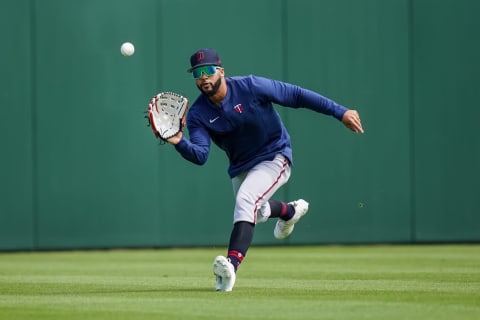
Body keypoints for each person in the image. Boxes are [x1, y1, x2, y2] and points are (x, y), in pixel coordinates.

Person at [164, 48, 364, 292]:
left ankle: (230, 267)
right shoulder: (197, 114)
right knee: (255, 212)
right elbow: (200, 155)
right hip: (241, 167)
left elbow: (296, 95)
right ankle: (289, 212)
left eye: (208, 70)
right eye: (197, 73)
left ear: (221, 71)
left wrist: (339, 111)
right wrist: (178, 141)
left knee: (246, 200)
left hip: (274, 155)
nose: (203, 77)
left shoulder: (250, 86)